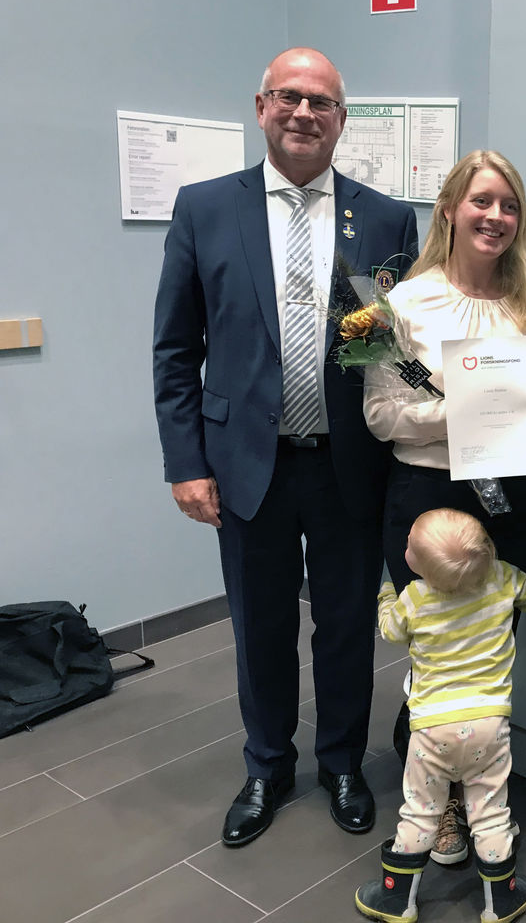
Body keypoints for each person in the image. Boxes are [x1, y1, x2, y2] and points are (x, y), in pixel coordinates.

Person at [152, 47, 418, 847]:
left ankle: (341, 762)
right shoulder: (204, 208)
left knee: (343, 624)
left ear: (343, 120)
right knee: (259, 624)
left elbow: (400, 346)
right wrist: (186, 462)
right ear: (261, 106)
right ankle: (267, 765)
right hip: (245, 465)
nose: (306, 114)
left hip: (347, 466)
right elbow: (174, 349)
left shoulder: (385, 217)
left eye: (323, 103)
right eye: (290, 99)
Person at [365, 148, 526, 864]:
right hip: (427, 494)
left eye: (509, 206)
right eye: (482, 201)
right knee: (435, 649)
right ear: (449, 209)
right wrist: (467, 413)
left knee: (486, 645)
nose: (496, 217)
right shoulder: (403, 305)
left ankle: (481, 792)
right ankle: (438, 803)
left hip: (508, 494)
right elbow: (383, 416)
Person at [355, 508, 526, 923]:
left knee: (421, 809)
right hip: (489, 725)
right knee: (491, 808)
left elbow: (390, 630)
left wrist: (387, 595)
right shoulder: (502, 577)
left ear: (415, 564)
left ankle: (396, 899)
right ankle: (502, 900)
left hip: (430, 729)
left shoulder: (415, 598)